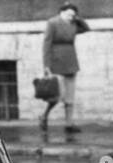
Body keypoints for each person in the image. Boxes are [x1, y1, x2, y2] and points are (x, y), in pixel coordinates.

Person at [42, 3, 89, 132]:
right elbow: (46, 44)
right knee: (57, 96)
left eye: (73, 15)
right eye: (68, 14)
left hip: (71, 62)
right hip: (56, 63)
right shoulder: (52, 23)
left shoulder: (74, 24)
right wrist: (46, 66)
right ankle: (44, 116)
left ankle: (69, 124)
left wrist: (78, 19)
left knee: (70, 97)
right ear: (61, 12)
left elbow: (86, 28)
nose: (70, 17)